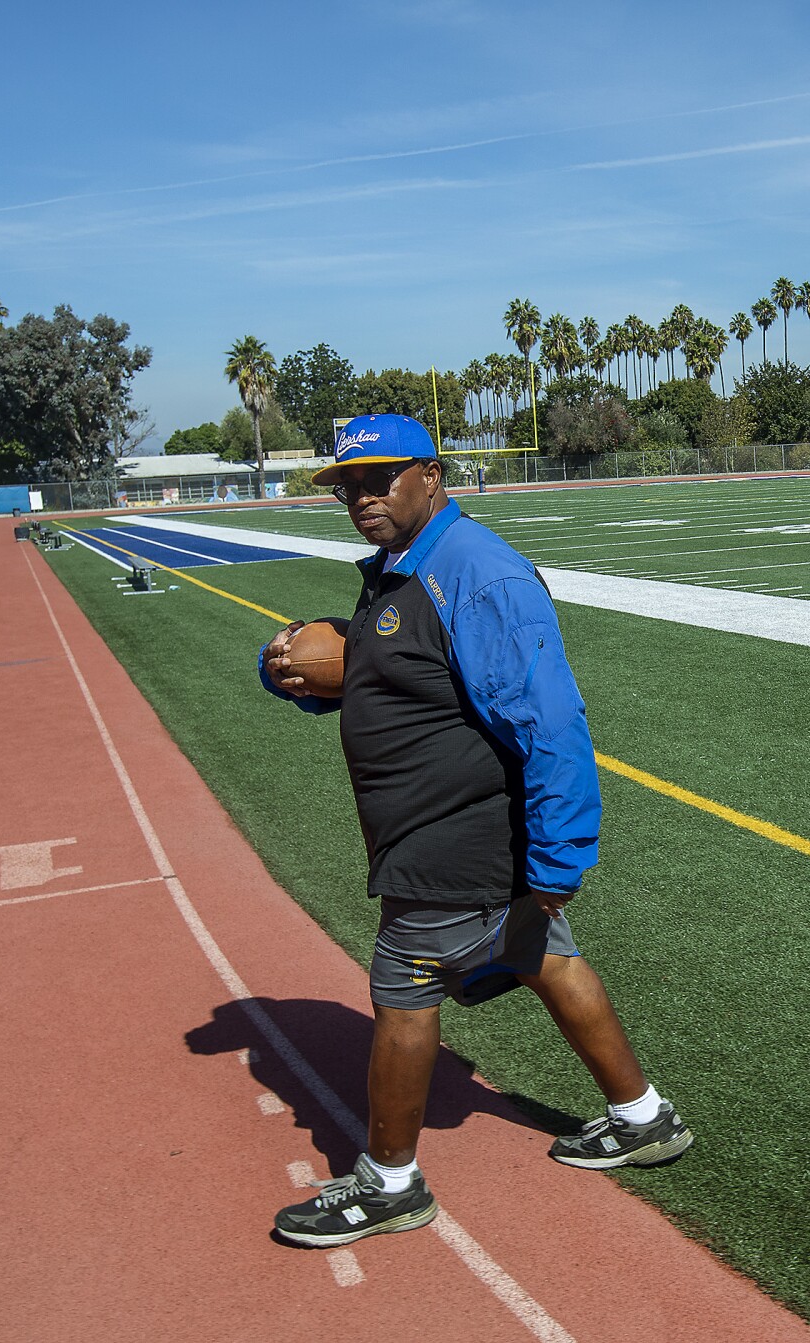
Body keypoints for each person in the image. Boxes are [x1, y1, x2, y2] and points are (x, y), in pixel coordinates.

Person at [259, 413, 689, 1248]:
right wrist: (300, 679)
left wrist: (559, 859)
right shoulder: (403, 563)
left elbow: (552, 722)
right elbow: (400, 677)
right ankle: (644, 1116)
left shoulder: (477, 571)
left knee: (405, 984)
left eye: (380, 478)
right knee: (546, 956)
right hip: (452, 835)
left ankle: (389, 1181)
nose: (362, 496)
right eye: (349, 483)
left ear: (433, 473)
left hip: (453, 839)